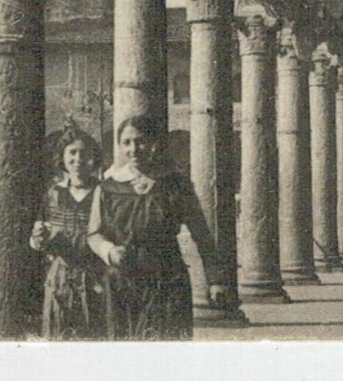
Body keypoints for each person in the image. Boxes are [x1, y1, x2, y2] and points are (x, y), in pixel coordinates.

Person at [86, 114, 230, 339]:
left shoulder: (176, 184)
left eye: (141, 141)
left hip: (167, 278)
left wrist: (215, 280)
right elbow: (94, 234)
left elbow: (201, 234)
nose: (134, 149)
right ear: (120, 146)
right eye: (127, 142)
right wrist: (110, 251)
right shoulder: (108, 188)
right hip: (122, 281)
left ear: (154, 143)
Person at [30, 127, 106, 339]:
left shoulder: (105, 193)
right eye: (72, 153)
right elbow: (37, 238)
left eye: (84, 153)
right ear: (62, 157)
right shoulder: (54, 193)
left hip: (96, 278)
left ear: (94, 158)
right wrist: (38, 237)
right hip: (60, 278)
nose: (78, 159)